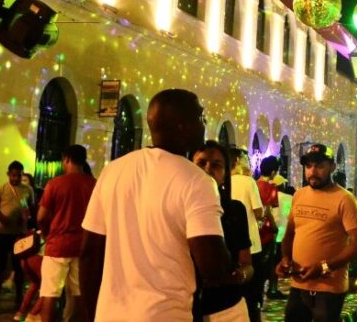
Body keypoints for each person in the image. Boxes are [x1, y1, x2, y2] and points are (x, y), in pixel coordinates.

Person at [80, 89, 231, 322]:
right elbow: (212, 266)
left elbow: (89, 253)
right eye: (200, 117)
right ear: (182, 126)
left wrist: (93, 315)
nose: (205, 123)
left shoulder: (113, 171)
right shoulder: (197, 181)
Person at [276, 143, 357, 322]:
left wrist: (324, 266)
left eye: (319, 166)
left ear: (332, 167)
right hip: (299, 284)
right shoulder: (299, 195)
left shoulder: (345, 200)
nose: (312, 171)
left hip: (329, 288)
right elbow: (290, 234)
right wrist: (286, 259)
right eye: (308, 166)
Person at [193, 140, 253, 322]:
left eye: (216, 165)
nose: (208, 169)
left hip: (228, 309)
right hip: (185, 309)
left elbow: (247, 264)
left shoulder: (235, 210)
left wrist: (240, 275)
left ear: (225, 174)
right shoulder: (176, 208)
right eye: (201, 163)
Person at [36, 145, 96, 322]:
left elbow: (41, 217)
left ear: (67, 159)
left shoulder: (54, 184)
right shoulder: (93, 184)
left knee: (49, 293)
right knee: (78, 294)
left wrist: (47, 233)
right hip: (82, 247)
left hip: (57, 245)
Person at [0, 160, 35, 311]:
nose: (16, 178)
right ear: (8, 174)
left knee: (19, 267)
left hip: (19, 235)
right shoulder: (0, 189)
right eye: (13, 175)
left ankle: (19, 298)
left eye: (19, 175)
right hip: (3, 233)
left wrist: (27, 218)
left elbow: (31, 209)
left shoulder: (28, 190)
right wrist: (3, 219)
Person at [231, 150, 265, 322]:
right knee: (253, 294)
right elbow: (258, 211)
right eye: (245, 158)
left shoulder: (222, 182)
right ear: (237, 161)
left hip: (229, 244)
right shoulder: (248, 181)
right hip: (251, 243)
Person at [257, 156, 285, 302]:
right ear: (273, 172)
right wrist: (274, 227)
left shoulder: (255, 184)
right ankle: (267, 293)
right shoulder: (270, 188)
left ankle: (258, 294)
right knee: (269, 263)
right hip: (267, 232)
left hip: (256, 231)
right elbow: (268, 209)